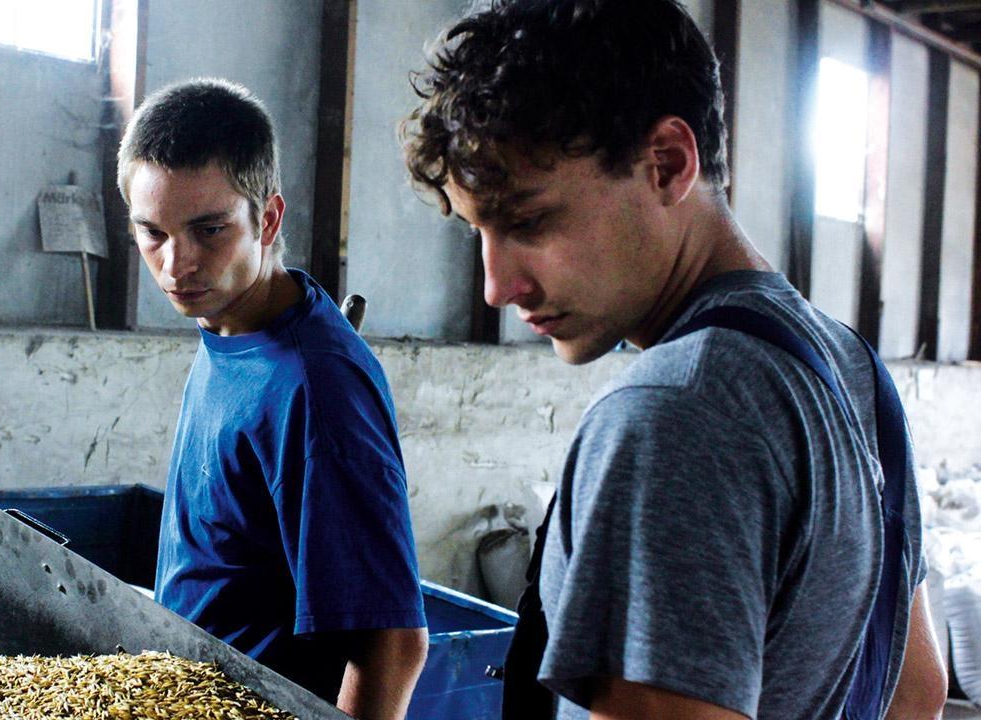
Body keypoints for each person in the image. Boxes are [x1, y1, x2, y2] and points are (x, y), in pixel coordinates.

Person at [401, 1, 948, 718]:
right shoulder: (849, 365)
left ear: (666, 163)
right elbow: (917, 692)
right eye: (480, 232)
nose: (498, 285)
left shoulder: (674, 413)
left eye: (528, 221)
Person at [116, 78, 428, 720]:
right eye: (153, 233)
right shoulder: (229, 327)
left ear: (269, 218)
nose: (177, 264)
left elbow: (393, 644)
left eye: (209, 231)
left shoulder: (315, 388)